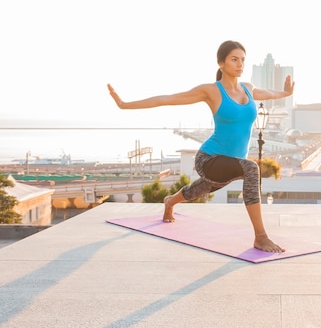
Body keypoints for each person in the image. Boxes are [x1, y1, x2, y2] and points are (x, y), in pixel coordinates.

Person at [107, 40, 294, 253]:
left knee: (199, 189)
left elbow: (269, 93)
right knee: (251, 169)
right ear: (221, 63)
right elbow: (167, 99)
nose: (240, 64)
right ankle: (260, 237)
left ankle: (170, 201)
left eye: (242, 60)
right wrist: (124, 104)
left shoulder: (248, 89)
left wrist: (285, 93)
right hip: (209, 159)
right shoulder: (211, 91)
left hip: (229, 165)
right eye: (234, 59)